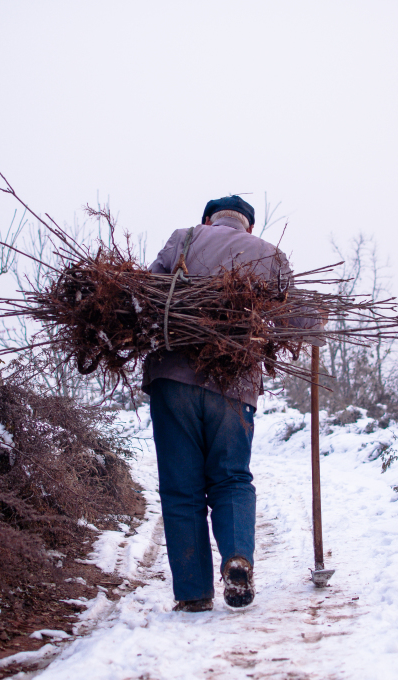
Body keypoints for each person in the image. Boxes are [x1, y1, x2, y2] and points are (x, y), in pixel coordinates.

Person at [142, 195, 324, 612]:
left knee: (181, 489)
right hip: (233, 384)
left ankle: (192, 594)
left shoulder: (184, 239)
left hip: (173, 380)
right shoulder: (270, 255)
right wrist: (315, 321)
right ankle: (237, 557)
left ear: (207, 219)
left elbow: (144, 301)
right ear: (249, 228)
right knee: (231, 479)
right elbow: (293, 322)